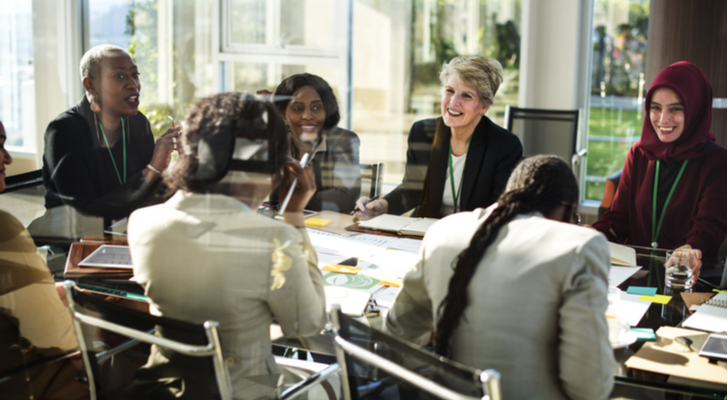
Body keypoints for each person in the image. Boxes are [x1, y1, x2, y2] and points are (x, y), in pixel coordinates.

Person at [126, 93, 326, 399]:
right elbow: (309, 324)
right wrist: (294, 216)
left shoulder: (141, 222)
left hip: (164, 387)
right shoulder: (274, 240)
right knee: (334, 384)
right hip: (242, 391)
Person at [385, 155, 615, 400]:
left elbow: (398, 330)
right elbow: (589, 388)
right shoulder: (580, 248)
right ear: (568, 210)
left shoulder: (443, 230)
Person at [593, 61, 727, 276]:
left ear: (695, 110)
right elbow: (618, 218)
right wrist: (593, 234)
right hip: (634, 278)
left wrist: (690, 249)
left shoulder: (717, 161)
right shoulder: (639, 153)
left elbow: (710, 226)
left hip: (685, 280)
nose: (663, 119)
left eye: (675, 109)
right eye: (656, 108)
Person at [355, 55, 522, 220]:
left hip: (472, 234)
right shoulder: (422, 133)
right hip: (424, 230)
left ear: (484, 106)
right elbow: (413, 189)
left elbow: (499, 208)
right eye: (449, 91)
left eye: (467, 96)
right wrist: (380, 206)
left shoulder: (505, 146)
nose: (453, 102)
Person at [41, 44, 180, 222]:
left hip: (130, 231)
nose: (133, 84)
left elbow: (153, 191)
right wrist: (153, 168)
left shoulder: (137, 123)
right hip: (78, 243)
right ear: (90, 85)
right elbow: (86, 216)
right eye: (119, 76)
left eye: (135, 74)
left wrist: (181, 164)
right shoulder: (63, 131)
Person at [0, 121, 87, 399]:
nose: (8, 158)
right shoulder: (4, 230)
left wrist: (46, 296)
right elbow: (57, 341)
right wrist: (102, 323)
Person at [272, 73, 361, 212]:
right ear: (284, 115)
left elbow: (345, 199)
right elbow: (267, 193)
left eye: (316, 108)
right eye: (297, 109)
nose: (307, 116)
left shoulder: (343, 141)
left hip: (329, 228)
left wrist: (293, 196)